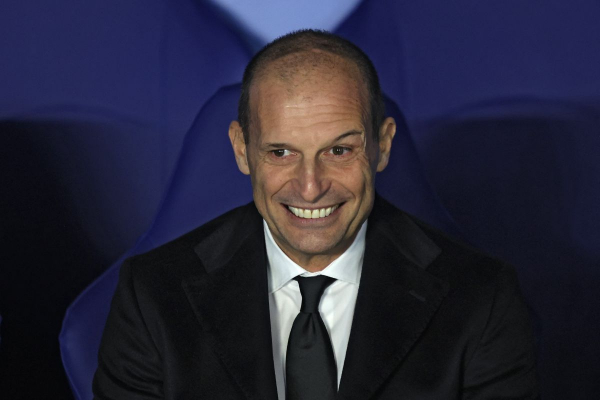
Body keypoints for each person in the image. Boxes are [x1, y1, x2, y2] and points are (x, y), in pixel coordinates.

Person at [93, 30, 538, 399]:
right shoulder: (153, 296)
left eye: (339, 151)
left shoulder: (482, 300)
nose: (310, 187)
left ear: (382, 146)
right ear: (242, 149)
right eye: (281, 152)